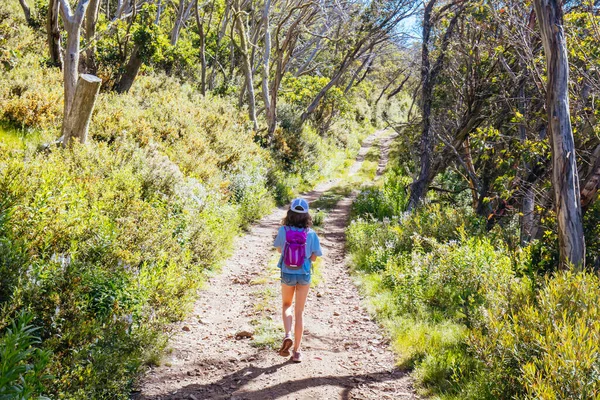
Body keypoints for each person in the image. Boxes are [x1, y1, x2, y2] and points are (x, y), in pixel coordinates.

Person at [273, 198, 322, 363]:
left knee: (287, 305)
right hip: (304, 275)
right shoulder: (312, 234)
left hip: (287, 273)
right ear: (306, 215)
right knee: (299, 312)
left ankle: (287, 335)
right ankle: (297, 352)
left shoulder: (283, 230)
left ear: (290, 213)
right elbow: (314, 257)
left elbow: (280, 249)